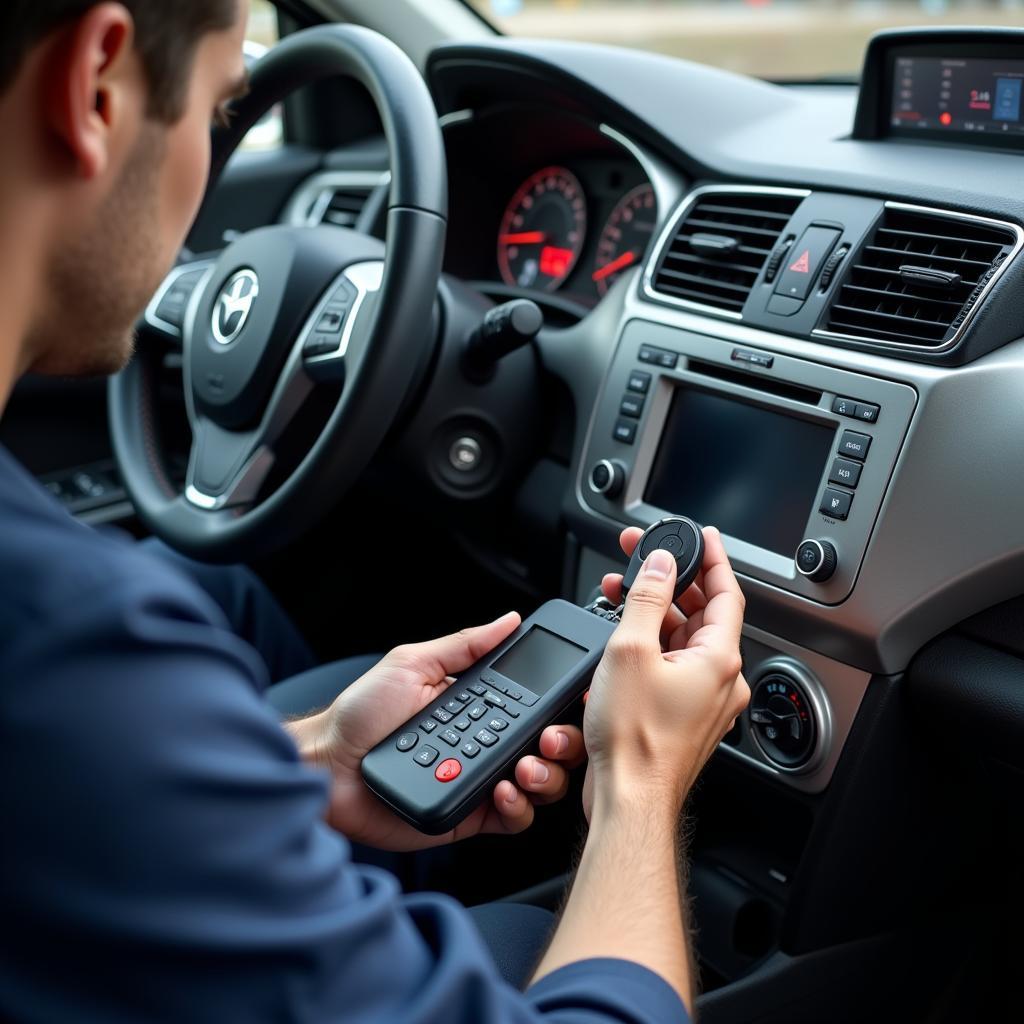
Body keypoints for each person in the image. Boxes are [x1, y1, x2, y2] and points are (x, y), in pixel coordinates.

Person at [0, 1, 750, 1021]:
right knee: (538, 937)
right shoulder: (76, 652)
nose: (206, 173)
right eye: (222, 113)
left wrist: (309, 762)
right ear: (96, 85)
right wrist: (641, 779)